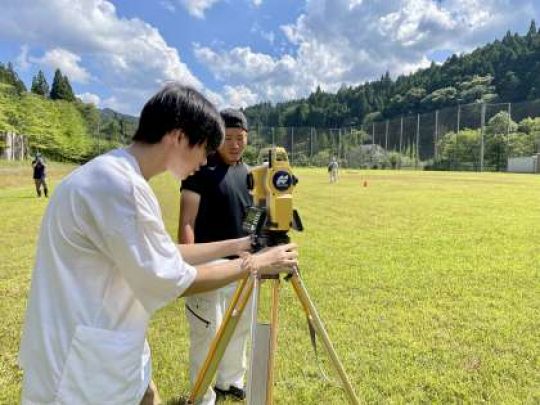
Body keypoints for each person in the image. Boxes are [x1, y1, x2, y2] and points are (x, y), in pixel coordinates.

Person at [18, 83, 298, 405]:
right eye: (204, 148)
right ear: (178, 136)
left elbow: (163, 253)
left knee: (148, 395)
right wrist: (256, 264)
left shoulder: (111, 174)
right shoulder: (121, 188)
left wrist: (240, 243)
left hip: (105, 344)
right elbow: (170, 277)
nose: (206, 160)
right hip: (81, 372)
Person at [179, 108, 251, 403]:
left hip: (243, 268)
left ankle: (230, 381)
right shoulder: (200, 169)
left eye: (241, 138)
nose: (235, 145)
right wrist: (191, 265)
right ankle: (202, 395)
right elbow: (186, 221)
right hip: (208, 269)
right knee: (207, 335)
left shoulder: (248, 174)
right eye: (229, 138)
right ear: (216, 137)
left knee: (239, 329)